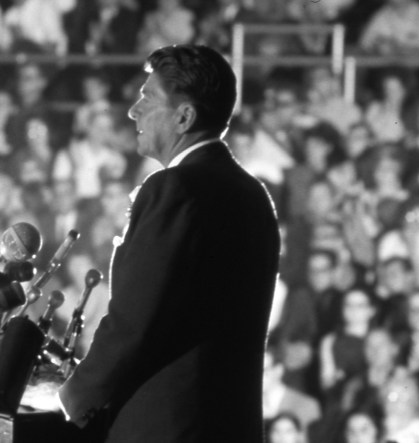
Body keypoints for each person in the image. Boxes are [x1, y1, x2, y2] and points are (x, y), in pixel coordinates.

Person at [57, 44, 281, 442]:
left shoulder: (175, 188)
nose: (133, 111)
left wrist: (73, 397)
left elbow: (136, 320)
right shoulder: (252, 193)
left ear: (184, 116)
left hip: (164, 427)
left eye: (147, 98)